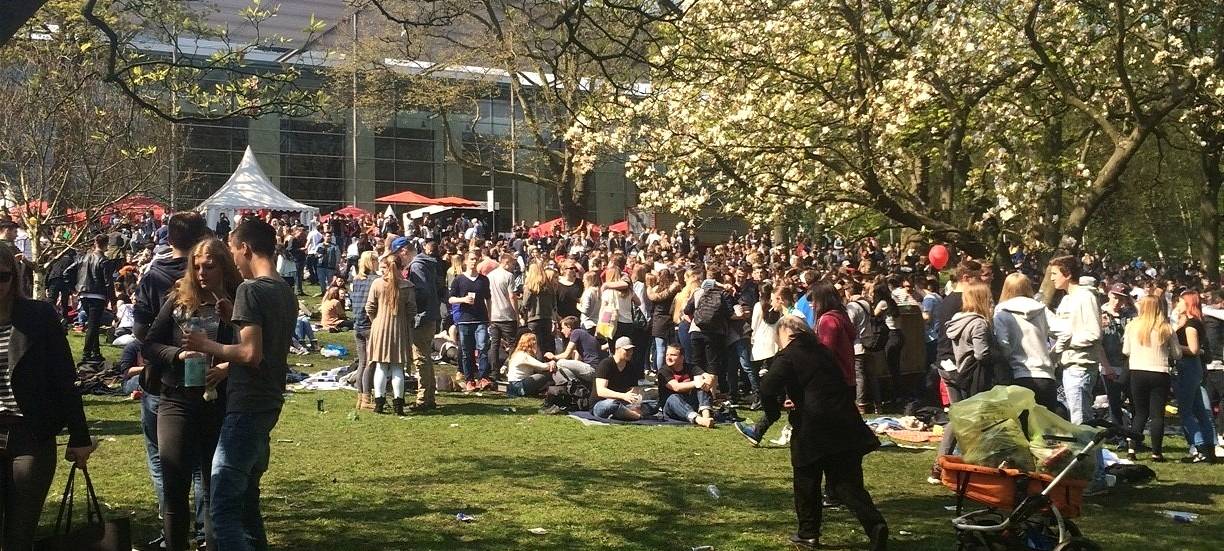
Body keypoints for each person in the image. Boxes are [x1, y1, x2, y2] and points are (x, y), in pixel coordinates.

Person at [184, 217, 296, 551]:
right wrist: (233, 315)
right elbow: (261, 349)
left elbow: (250, 353)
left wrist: (206, 345)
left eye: (233, 251)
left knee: (222, 507)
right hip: (269, 402)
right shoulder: (284, 289)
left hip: (246, 407)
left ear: (244, 248)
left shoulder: (251, 288)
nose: (233, 259)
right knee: (247, 503)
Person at [745, 315, 887, 550]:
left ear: (783, 334)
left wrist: (773, 411)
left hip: (813, 425)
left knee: (806, 481)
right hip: (844, 422)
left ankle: (808, 533)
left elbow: (767, 386)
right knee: (847, 484)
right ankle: (875, 525)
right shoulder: (822, 351)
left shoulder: (788, 355)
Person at [143, 238, 241, 551]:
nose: (202, 273)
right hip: (176, 399)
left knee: (214, 488)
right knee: (175, 486)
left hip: (219, 401)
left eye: (209, 267)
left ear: (223, 266)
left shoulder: (239, 301)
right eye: (196, 267)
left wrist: (227, 366)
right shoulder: (178, 299)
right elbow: (150, 344)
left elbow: (255, 352)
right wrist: (177, 355)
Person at [0, 241, 94, 551]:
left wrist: (79, 437)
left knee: (19, 534)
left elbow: (64, 377)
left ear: (15, 277)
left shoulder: (37, 315)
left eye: (2, 276)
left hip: (29, 436)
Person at [931, 281, 995, 484]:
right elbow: (981, 353)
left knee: (957, 418)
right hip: (973, 376)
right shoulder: (978, 323)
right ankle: (964, 465)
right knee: (967, 420)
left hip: (956, 371)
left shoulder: (957, 321)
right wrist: (1001, 354)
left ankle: (942, 464)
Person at [1123, 296, 1181, 462]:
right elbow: (1177, 353)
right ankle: (1156, 452)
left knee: (1140, 412)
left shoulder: (1132, 326)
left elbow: (1126, 350)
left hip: (1137, 371)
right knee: (1157, 415)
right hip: (1159, 372)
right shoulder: (1165, 327)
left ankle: (1132, 449)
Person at [993, 273, 1059, 412]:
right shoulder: (1041, 309)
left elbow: (1003, 342)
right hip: (1046, 376)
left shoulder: (1001, 311)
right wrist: (1052, 356)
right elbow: (1066, 332)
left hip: (1019, 375)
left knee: (1023, 429)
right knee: (1048, 427)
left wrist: (1009, 360)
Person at [1048, 255, 1102, 424]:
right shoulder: (1066, 299)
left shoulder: (1086, 297)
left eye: (1055, 274)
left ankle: (1089, 451)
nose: (1051, 278)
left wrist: (1066, 342)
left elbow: (1093, 333)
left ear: (1068, 274)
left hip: (1081, 367)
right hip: (1067, 366)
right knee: (1075, 418)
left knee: (1081, 421)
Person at [366, 254, 417, 416]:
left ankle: (379, 403)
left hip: (379, 328)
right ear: (401, 267)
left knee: (380, 366)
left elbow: (370, 307)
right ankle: (398, 405)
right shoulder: (407, 286)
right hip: (400, 329)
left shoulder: (377, 283)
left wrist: (376, 320)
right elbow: (412, 310)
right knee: (397, 368)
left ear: (386, 267)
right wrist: (404, 320)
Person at [1172, 290, 1218, 463]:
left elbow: (1193, 349)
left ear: (1188, 303)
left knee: (1186, 411)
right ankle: (1210, 447)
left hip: (1188, 367)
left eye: (1181, 301)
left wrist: (1172, 346)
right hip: (1194, 368)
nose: (1177, 304)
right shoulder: (1193, 322)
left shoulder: (1191, 325)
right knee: (1200, 409)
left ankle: (1199, 447)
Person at [406, 238, 442, 411]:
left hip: (422, 316)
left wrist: (411, 302)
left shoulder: (417, 266)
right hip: (432, 313)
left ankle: (423, 399)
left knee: (420, 358)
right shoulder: (432, 264)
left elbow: (422, 291)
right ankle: (429, 397)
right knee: (426, 357)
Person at [450, 251, 493, 392]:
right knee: (467, 351)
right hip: (465, 319)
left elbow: (488, 299)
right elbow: (450, 299)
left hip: (481, 318)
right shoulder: (459, 279)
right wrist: (462, 300)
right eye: (471, 259)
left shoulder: (483, 280)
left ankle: (483, 377)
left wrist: (490, 316)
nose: (474, 262)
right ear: (466, 261)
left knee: (483, 348)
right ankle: (469, 379)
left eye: (476, 259)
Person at [1100, 283, 1136, 430]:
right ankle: (1118, 434)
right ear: (1109, 295)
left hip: (1127, 365)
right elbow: (1098, 344)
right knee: (1114, 402)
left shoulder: (1129, 315)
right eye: (1115, 297)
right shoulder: (1100, 314)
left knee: (1134, 401)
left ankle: (1134, 436)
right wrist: (1106, 367)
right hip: (1109, 364)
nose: (1117, 302)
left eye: (1121, 299)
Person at [76, 233, 112, 363]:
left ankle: (96, 352)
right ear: (106, 244)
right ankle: (86, 354)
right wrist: (112, 300)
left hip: (84, 293)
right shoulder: (104, 260)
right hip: (97, 294)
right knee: (93, 324)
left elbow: (67, 272)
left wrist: (75, 287)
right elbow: (108, 282)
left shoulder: (83, 258)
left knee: (94, 324)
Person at [658, 344, 715, 427]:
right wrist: (696, 383)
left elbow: (708, 377)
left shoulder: (691, 368)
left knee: (702, 386)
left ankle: (706, 416)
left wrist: (708, 380)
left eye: (673, 355)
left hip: (690, 402)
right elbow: (676, 387)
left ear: (682, 358)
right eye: (667, 354)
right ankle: (698, 419)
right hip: (672, 406)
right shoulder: (663, 371)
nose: (668, 357)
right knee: (673, 397)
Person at [591, 337, 648, 420]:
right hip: (601, 403)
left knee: (653, 405)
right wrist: (623, 396)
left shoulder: (631, 366)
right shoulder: (606, 364)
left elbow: (634, 389)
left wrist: (636, 399)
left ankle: (624, 413)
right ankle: (636, 416)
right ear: (617, 349)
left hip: (623, 403)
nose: (630, 353)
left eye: (631, 350)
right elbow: (601, 391)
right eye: (627, 350)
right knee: (612, 405)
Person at [350, 251, 378, 410]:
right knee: (370, 363)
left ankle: (360, 398)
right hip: (369, 325)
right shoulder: (375, 280)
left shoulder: (356, 280)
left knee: (362, 362)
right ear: (371, 262)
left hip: (357, 325)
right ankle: (366, 397)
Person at [487, 253, 519, 372]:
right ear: (506, 263)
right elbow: (512, 296)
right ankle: (511, 369)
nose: (513, 267)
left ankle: (494, 371)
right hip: (507, 315)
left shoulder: (490, 276)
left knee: (494, 345)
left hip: (494, 315)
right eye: (512, 264)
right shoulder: (509, 276)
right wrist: (516, 313)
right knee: (512, 344)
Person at [521, 260, 559, 358]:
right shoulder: (549, 287)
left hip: (533, 319)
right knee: (547, 344)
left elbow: (525, 303)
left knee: (536, 345)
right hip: (547, 318)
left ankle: (539, 366)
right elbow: (554, 304)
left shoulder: (529, 287)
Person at [506, 333, 556, 397]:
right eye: (534, 340)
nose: (535, 343)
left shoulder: (519, 354)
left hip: (515, 385)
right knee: (545, 375)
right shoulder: (523, 355)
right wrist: (552, 362)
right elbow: (543, 367)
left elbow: (538, 368)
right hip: (518, 385)